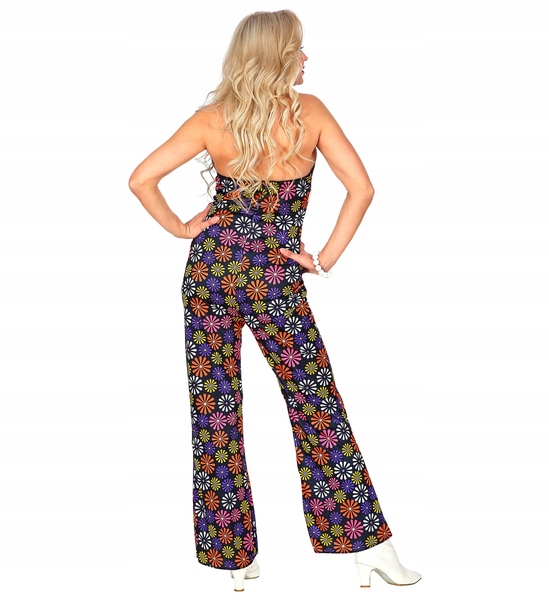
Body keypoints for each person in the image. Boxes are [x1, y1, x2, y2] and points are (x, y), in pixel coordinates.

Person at [128, 9, 421, 592]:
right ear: (279, 56)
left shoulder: (212, 120)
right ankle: (368, 548)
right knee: (317, 406)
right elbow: (362, 189)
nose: (307, 58)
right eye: (300, 48)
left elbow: (141, 179)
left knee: (215, 412)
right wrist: (323, 258)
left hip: (210, 274)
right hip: (274, 279)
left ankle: (233, 559)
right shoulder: (310, 114)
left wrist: (183, 229)